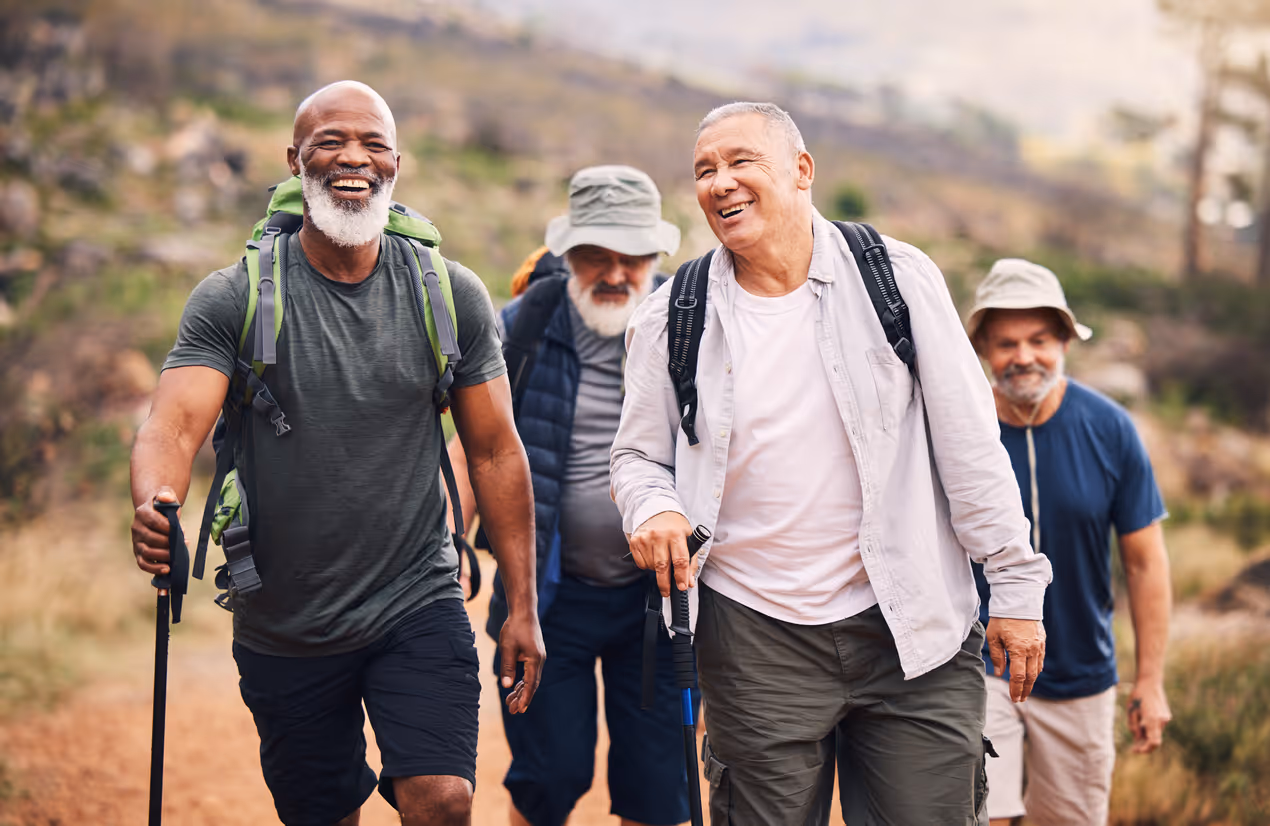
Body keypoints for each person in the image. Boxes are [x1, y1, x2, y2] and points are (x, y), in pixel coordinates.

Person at [610, 101, 1054, 826]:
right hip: (754, 635)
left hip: (914, 627)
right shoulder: (672, 315)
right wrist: (652, 504)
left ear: (801, 170)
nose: (720, 183)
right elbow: (635, 454)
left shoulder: (898, 280)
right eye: (704, 171)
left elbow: (971, 448)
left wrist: (1015, 583)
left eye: (740, 162)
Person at [128, 80, 545, 826]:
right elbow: (171, 425)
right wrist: (157, 499)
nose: (354, 158)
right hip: (284, 618)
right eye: (330, 142)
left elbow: (494, 453)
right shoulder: (234, 298)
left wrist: (522, 606)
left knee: (443, 799)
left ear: (395, 164)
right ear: (295, 162)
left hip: (417, 597)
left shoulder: (450, 295)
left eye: (374, 144)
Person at [447, 165, 695, 826]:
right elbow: (475, 448)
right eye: (596, 257)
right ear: (567, 253)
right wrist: (445, 542)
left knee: (656, 788)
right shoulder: (522, 326)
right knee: (548, 778)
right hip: (543, 597)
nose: (615, 273)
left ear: (655, 256)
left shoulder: (692, 326)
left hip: (662, 602)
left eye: (632, 258)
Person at [967, 259, 1172, 826]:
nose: (1024, 356)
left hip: (1082, 675)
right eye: (1006, 343)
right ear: (983, 348)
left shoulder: (1111, 428)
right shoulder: (961, 427)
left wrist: (1150, 681)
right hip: (978, 669)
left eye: (1039, 339)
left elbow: (1145, 564)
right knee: (979, 817)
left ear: (1064, 340)